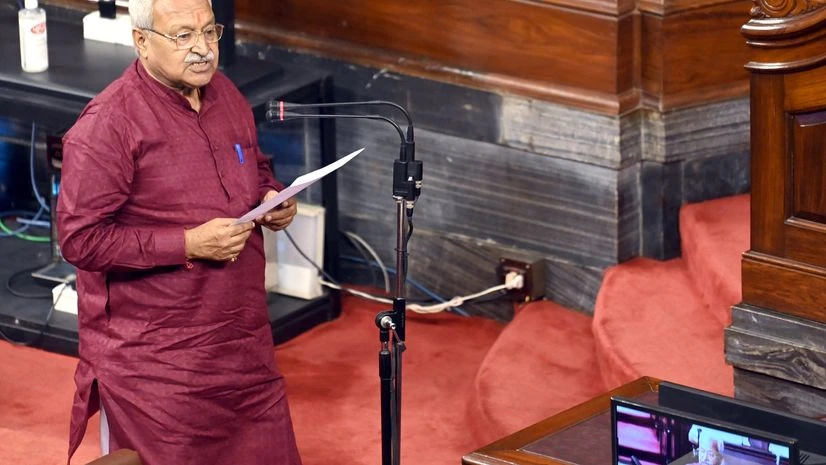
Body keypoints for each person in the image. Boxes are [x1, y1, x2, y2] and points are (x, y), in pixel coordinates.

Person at [56, 0, 301, 463]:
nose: (203, 49)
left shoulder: (224, 92)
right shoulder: (109, 124)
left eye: (210, 32)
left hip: (242, 341)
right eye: (183, 35)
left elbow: (254, 163)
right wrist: (187, 243)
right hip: (160, 362)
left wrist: (272, 197)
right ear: (142, 42)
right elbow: (79, 239)